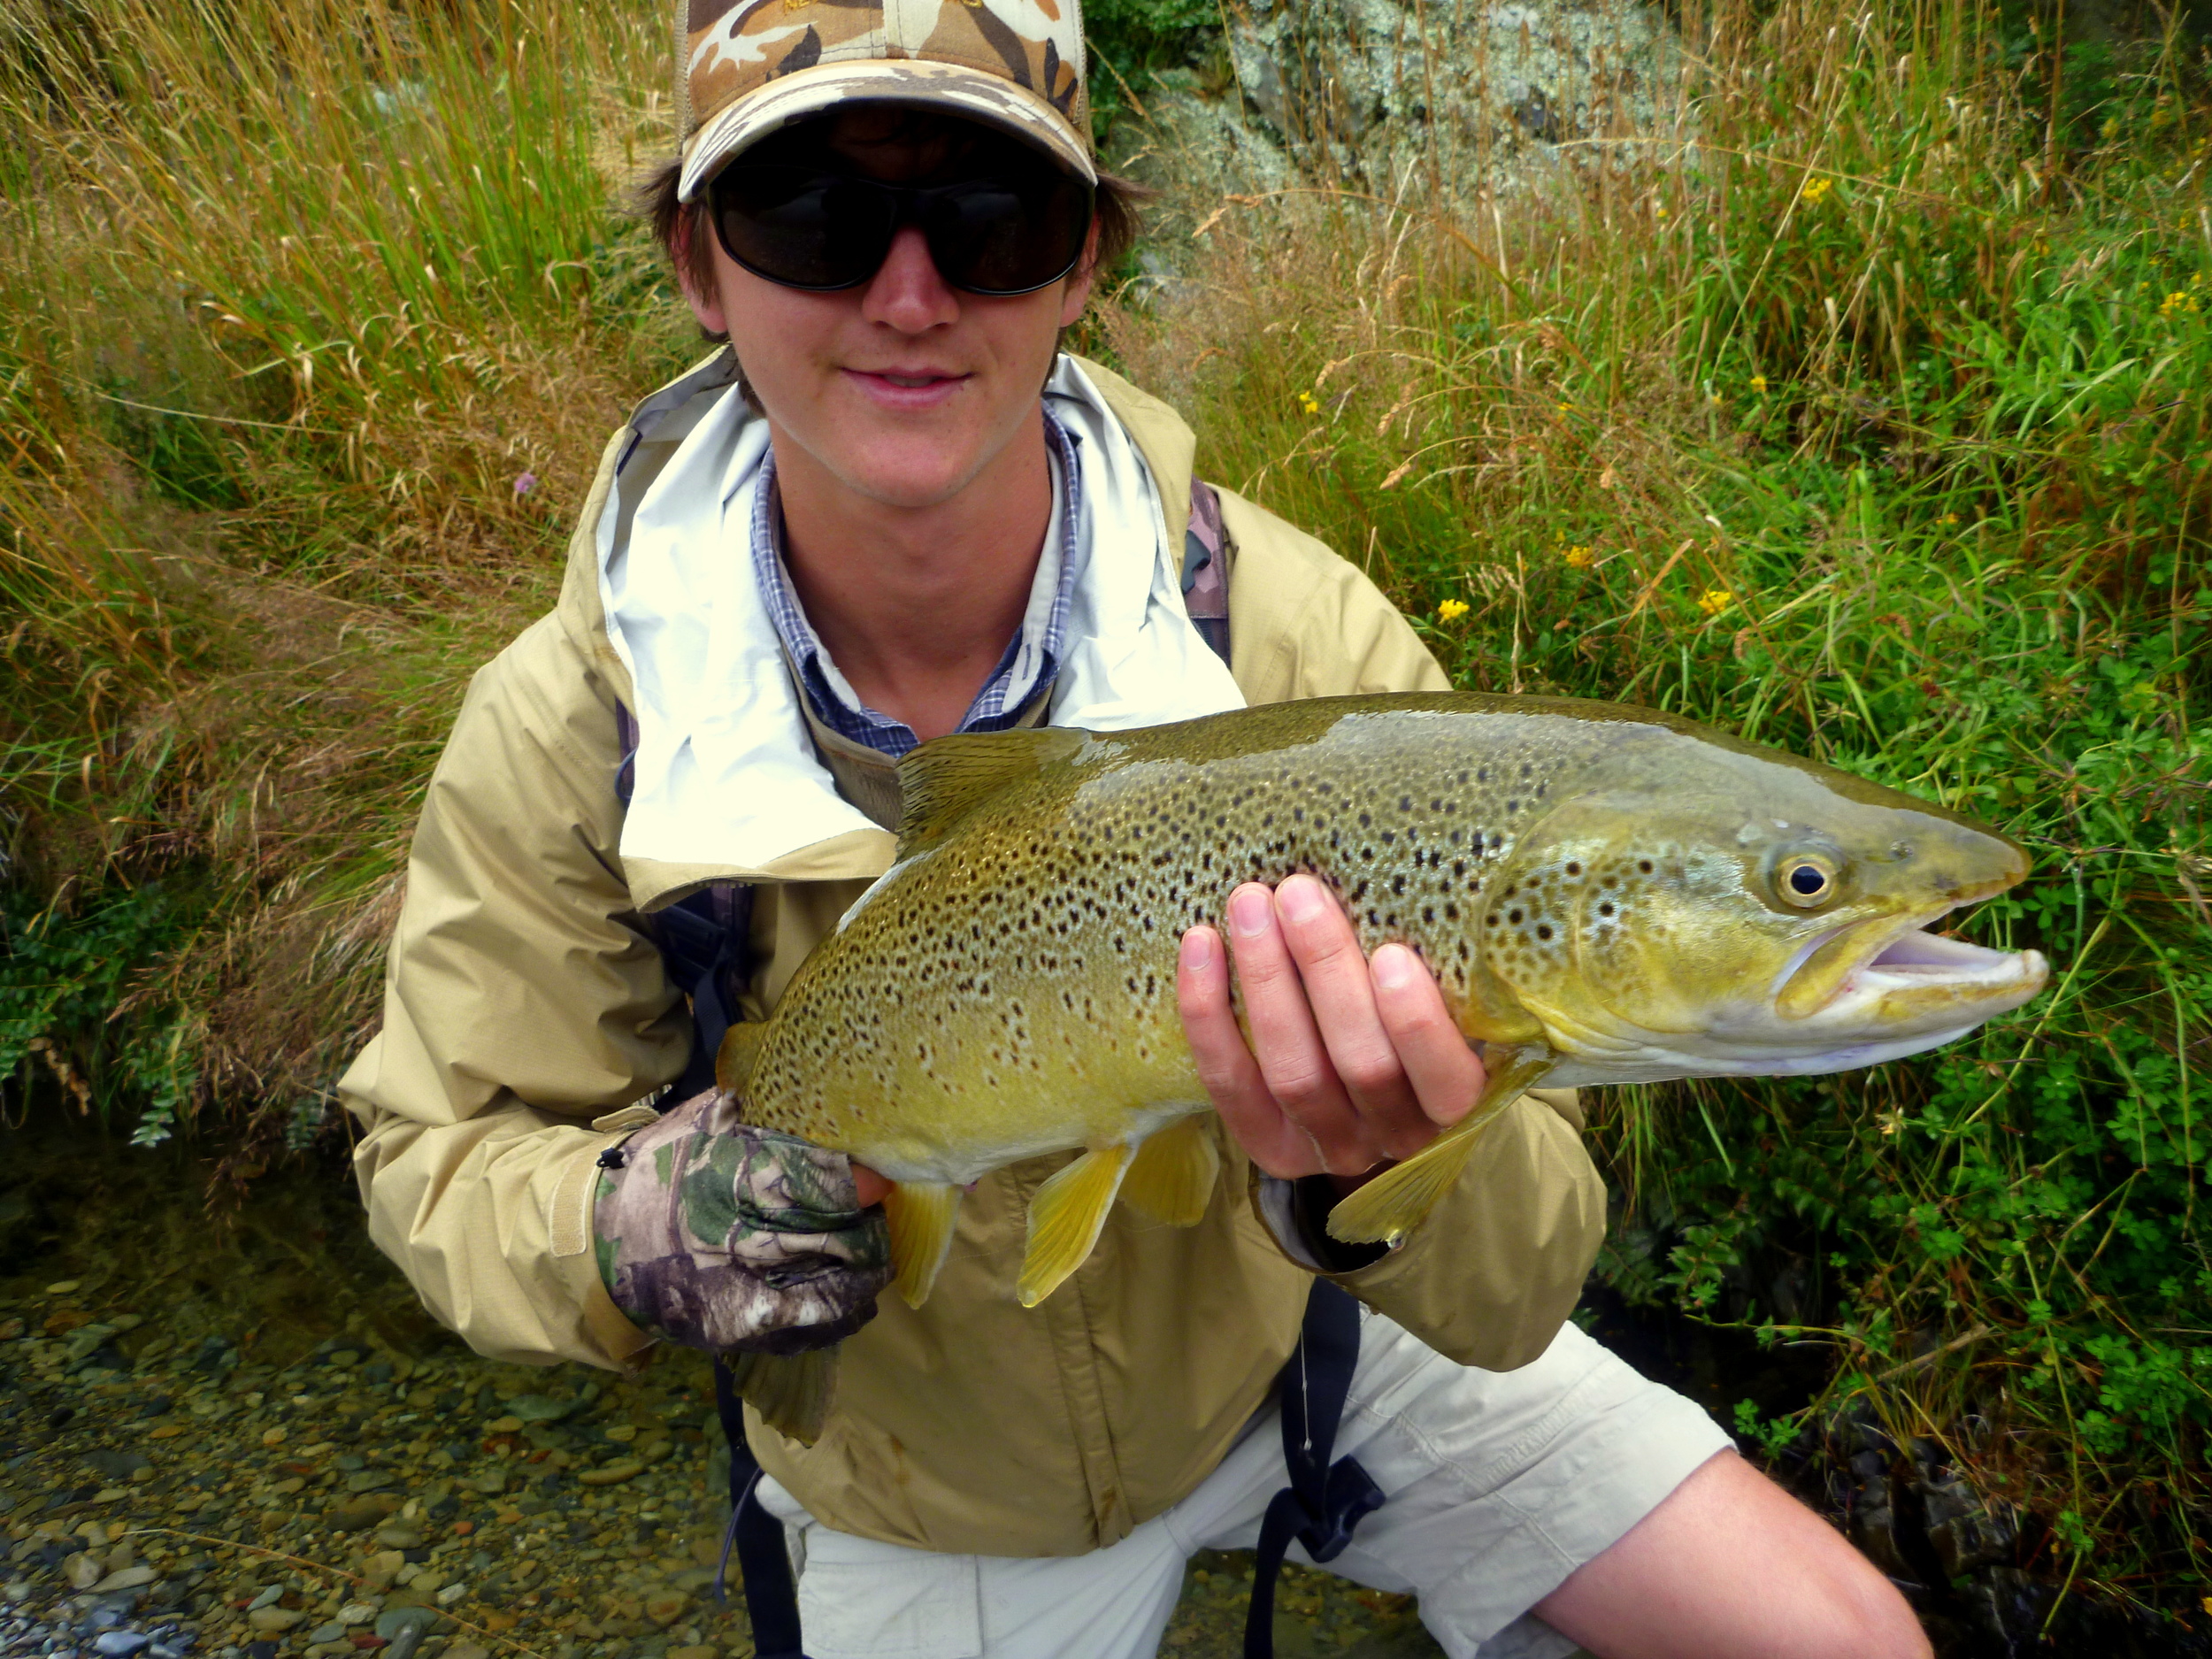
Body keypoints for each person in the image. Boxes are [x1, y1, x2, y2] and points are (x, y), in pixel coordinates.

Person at [337, 2, 1932, 1654]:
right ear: (697, 261)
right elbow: (438, 1160)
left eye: (988, 217)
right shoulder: (572, 727)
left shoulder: (1295, 643)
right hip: (932, 1479)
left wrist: (1379, 1180)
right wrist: (625, 1230)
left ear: (1085, 259)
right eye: (808, 215)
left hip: (1314, 1340)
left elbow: (1523, 1286)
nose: (907, 292)